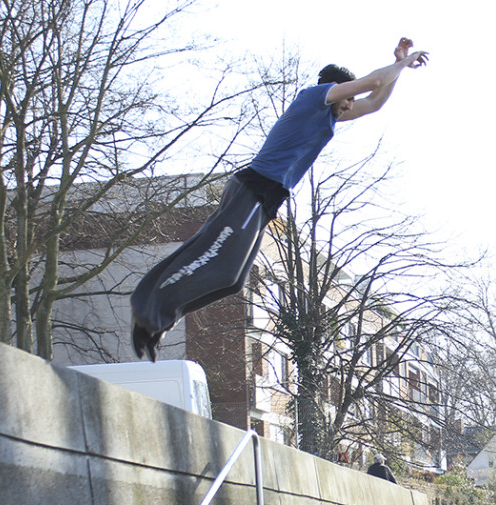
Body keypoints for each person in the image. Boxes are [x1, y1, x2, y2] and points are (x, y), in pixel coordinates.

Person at [129, 38, 430, 360]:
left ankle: (158, 318)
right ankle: (148, 311)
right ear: (336, 88)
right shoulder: (315, 98)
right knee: (216, 263)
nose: (350, 105)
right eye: (348, 97)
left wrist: (398, 68)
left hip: (265, 200)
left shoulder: (327, 116)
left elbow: (375, 101)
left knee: (231, 281)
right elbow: (373, 82)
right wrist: (402, 62)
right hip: (253, 190)